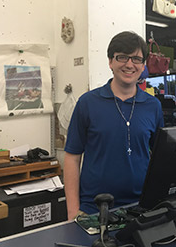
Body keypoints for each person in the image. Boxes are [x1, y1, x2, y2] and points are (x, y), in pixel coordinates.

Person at [63, 31, 164, 220]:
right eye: (122, 57)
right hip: (93, 209)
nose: (129, 64)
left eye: (136, 59)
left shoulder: (153, 106)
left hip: (141, 207)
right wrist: (72, 211)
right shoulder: (87, 103)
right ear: (110, 62)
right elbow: (72, 157)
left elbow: (160, 158)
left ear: (143, 66)